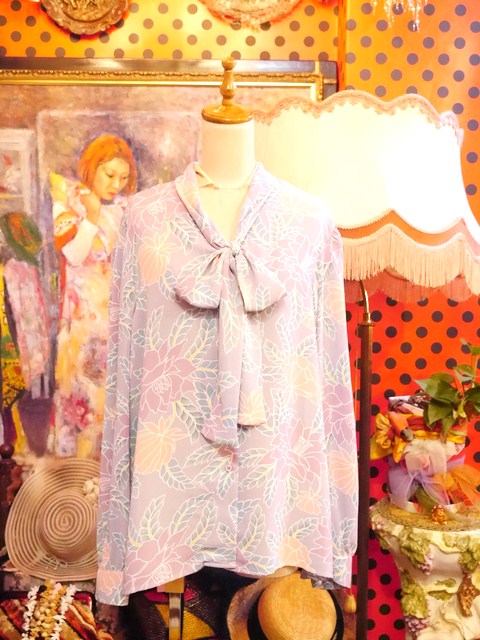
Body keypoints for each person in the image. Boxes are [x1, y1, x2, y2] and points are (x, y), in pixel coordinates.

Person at [50, 133, 137, 459]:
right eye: (110, 174)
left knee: (110, 401)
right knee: (80, 396)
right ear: (92, 168)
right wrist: (91, 216)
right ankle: (75, 473)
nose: (116, 184)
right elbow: (74, 256)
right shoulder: (69, 202)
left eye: (124, 178)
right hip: (82, 323)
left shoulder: (126, 209)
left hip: (116, 321)